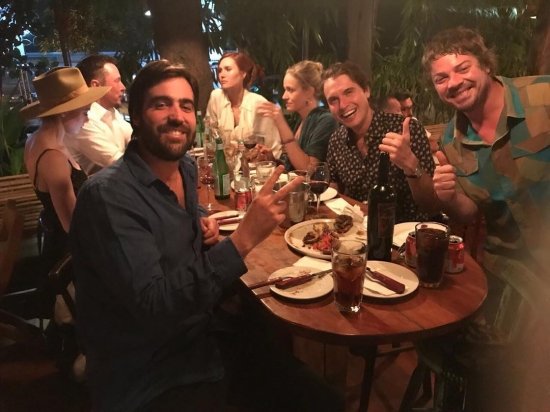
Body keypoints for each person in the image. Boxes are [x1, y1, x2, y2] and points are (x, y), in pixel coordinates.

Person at [70, 60, 343, 412]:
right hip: (151, 372)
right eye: (161, 104)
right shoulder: (108, 197)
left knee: (324, 398)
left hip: (205, 334)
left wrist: (199, 220)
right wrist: (243, 239)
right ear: (135, 115)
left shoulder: (184, 168)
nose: (176, 116)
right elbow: (154, 308)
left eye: (185, 106)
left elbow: (174, 218)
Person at [422, 26, 550, 410]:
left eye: (463, 68)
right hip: (509, 266)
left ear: (487, 65)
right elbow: (470, 211)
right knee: (448, 338)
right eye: (441, 78)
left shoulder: (542, 96)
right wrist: (448, 197)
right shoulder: (452, 141)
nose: (453, 83)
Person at [322, 61, 436, 223]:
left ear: (366, 90)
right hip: (356, 232)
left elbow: (430, 203)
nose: (343, 105)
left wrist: (410, 164)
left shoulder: (407, 129)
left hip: (404, 232)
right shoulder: (336, 140)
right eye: (333, 100)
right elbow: (333, 189)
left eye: (348, 92)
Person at [21, 67, 109, 268]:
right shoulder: (54, 157)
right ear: (63, 112)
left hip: (62, 243)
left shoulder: (35, 140)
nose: (87, 119)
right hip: (70, 257)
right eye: (85, 112)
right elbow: (73, 227)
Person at [256, 60, 337, 170]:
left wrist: (281, 123)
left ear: (309, 92)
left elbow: (308, 169)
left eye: (290, 90)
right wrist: (272, 159)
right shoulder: (302, 120)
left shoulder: (327, 120)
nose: (284, 96)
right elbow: (293, 167)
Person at [206, 51, 281, 159]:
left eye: (228, 69)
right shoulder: (216, 97)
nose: (222, 75)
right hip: (223, 162)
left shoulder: (258, 103)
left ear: (243, 74)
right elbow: (209, 134)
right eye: (220, 70)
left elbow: (273, 147)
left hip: (255, 164)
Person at [65, 54, 132, 175]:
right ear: (96, 86)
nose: (123, 87)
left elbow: (135, 139)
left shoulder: (111, 112)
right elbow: (119, 163)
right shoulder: (84, 121)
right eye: (117, 81)